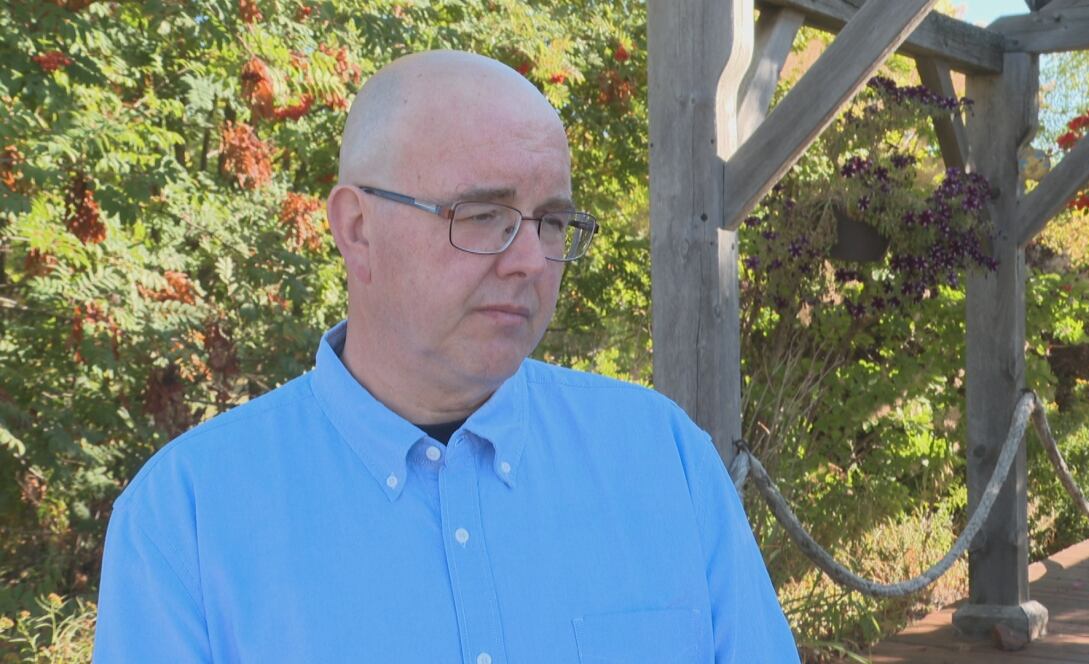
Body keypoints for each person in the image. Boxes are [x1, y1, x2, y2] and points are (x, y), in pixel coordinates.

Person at [93, 50, 800, 663]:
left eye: (551, 221)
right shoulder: (185, 517)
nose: (529, 259)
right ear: (357, 229)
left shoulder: (662, 458)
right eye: (482, 215)